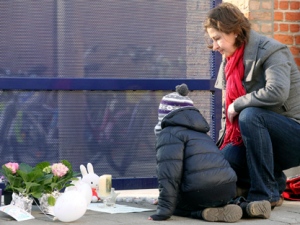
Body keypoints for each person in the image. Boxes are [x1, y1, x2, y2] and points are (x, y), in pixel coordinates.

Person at [203, 2, 300, 216]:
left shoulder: (272, 50)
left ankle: (264, 195)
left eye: (218, 38)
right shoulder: (228, 63)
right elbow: (225, 116)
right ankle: (273, 180)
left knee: (250, 115)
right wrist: (216, 153)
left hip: (293, 136)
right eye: (212, 39)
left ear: (236, 32)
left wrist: (239, 103)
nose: (215, 46)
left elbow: (277, 91)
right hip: (257, 140)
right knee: (223, 161)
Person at [148, 83, 266, 222]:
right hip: (228, 187)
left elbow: (169, 175)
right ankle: (244, 207)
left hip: (200, 191)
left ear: (164, 115)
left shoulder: (168, 134)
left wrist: (164, 209)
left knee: (178, 206)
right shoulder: (201, 133)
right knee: (216, 199)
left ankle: (203, 213)